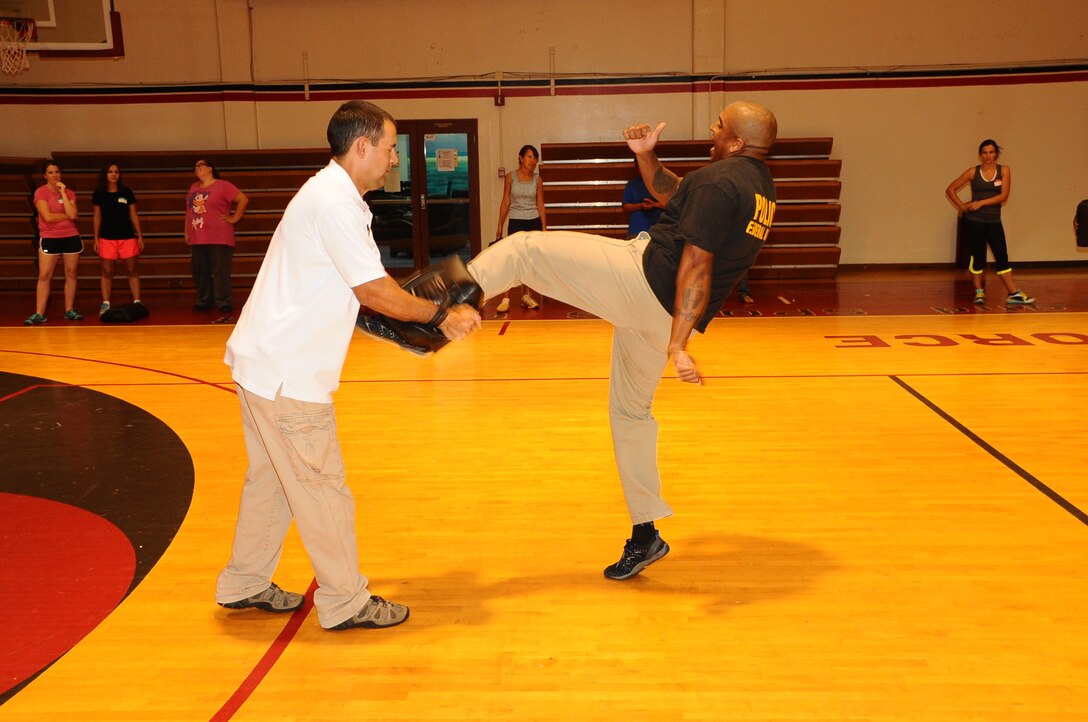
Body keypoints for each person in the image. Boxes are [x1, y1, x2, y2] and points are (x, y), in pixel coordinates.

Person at [467, 101, 778, 580]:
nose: (712, 128)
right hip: (660, 315)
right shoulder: (757, 188)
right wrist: (646, 156)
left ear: (737, 142)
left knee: (522, 249)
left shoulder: (721, 182)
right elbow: (673, 192)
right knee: (631, 415)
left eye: (721, 125)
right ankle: (645, 533)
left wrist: (678, 347)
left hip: (644, 282)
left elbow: (697, 265)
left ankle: (437, 309)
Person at [216, 100, 481, 630]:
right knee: (321, 487)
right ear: (361, 147)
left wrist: (410, 328)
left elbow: (354, 297)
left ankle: (244, 582)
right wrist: (441, 315)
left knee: (272, 481)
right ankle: (345, 600)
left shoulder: (331, 197)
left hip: (263, 364)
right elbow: (375, 291)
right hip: (288, 375)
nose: (393, 162)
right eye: (388, 150)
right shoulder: (332, 203)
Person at [945, 139, 1033, 306]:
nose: (988, 156)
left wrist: (981, 202)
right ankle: (979, 293)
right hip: (974, 221)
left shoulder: (1004, 170)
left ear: (996, 154)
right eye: (984, 152)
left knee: (1002, 256)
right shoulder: (972, 172)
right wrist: (962, 206)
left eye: (991, 152)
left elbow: (1003, 196)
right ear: (980, 155)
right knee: (978, 257)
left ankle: (1013, 293)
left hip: (993, 221)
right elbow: (950, 189)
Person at [185, 159, 248, 315]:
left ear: (209, 168)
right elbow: (189, 212)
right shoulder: (193, 188)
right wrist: (186, 231)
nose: (196, 168)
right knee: (200, 271)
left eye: (200, 165)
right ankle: (204, 300)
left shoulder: (222, 185)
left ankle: (224, 301)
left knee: (220, 271)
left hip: (219, 236)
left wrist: (234, 218)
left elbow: (243, 199)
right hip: (197, 236)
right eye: (195, 167)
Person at [26, 159, 82, 325]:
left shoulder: (70, 193)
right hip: (50, 237)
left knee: (71, 274)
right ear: (45, 175)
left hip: (70, 236)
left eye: (56, 172)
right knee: (44, 275)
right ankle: (39, 313)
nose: (54, 175)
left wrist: (63, 193)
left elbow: (73, 215)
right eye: (50, 172)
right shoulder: (40, 193)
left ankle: (69, 310)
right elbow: (48, 217)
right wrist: (67, 215)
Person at [493, 144, 546, 312]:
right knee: (513, 258)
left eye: (535, 157)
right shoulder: (511, 177)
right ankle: (506, 298)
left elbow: (540, 204)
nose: (533, 160)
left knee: (529, 260)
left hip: (533, 221)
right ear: (521, 158)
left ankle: (526, 295)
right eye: (529, 157)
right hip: (516, 221)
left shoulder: (538, 179)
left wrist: (544, 226)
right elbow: (506, 202)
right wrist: (500, 224)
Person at [92, 163, 144, 315]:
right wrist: (96, 238)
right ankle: (106, 304)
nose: (113, 174)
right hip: (107, 237)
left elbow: (133, 215)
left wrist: (139, 235)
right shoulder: (99, 193)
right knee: (107, 271)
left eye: (116, 171)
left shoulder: (126, 192)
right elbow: (96, 217)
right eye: (110, 171)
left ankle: (137, 302)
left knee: (132, 270)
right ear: (105, 174)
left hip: (127, 236)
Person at [621, 160, 664, 238]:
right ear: (637, 168)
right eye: (641, 167)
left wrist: (655, 205)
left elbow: (671, 206)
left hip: (659, 231)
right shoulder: (632, 184)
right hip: (636, 231)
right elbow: (625, 207)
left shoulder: (661, 183)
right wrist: (641, 206)